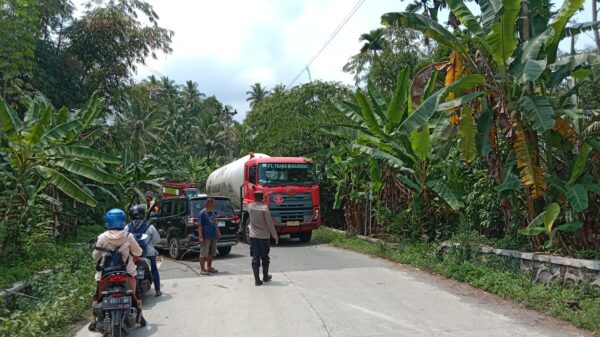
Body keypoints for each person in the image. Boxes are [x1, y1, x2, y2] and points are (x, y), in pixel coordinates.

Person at [90, 208, 144, 331]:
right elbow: (138, 252)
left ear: (107, 221)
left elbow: (95, 256)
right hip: (126, 273)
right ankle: (140, 316)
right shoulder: (128, 236)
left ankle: (93, 321)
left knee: (97, 296)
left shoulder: (102, 237)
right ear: (123, 221)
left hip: (106, 274)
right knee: (137, 294)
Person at [127, 204, 162, 297]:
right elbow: (157, 240)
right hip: (148, 253)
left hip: (132, 253)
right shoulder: (150, 226)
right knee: (154, 269)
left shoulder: (127, 227)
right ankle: (158, 290)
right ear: (143, 214)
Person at [247, 191, 279, 286]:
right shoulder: (264, 208)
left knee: (255, 258)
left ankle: (257, 280)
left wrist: (261, 199)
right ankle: (265, 277)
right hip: (264, 237)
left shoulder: (250, 207)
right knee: (265, 257)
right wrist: (275, 235)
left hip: (253, 236)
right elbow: (269, 223)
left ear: (254, 197)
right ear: (262, 198)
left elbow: (249, 203)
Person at [198, 198, 221, 276]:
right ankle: (202, 269)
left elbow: (215, 222)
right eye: (213, 203)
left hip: (213, 236)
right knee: (203, 253)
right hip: (206, 236)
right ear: (209, 204)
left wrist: (218, 232)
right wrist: (200, 237)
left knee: (211, 253)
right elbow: (200, 226)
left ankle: (209, 267)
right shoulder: (202, 213)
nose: (214, 205)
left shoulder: (212, 212)